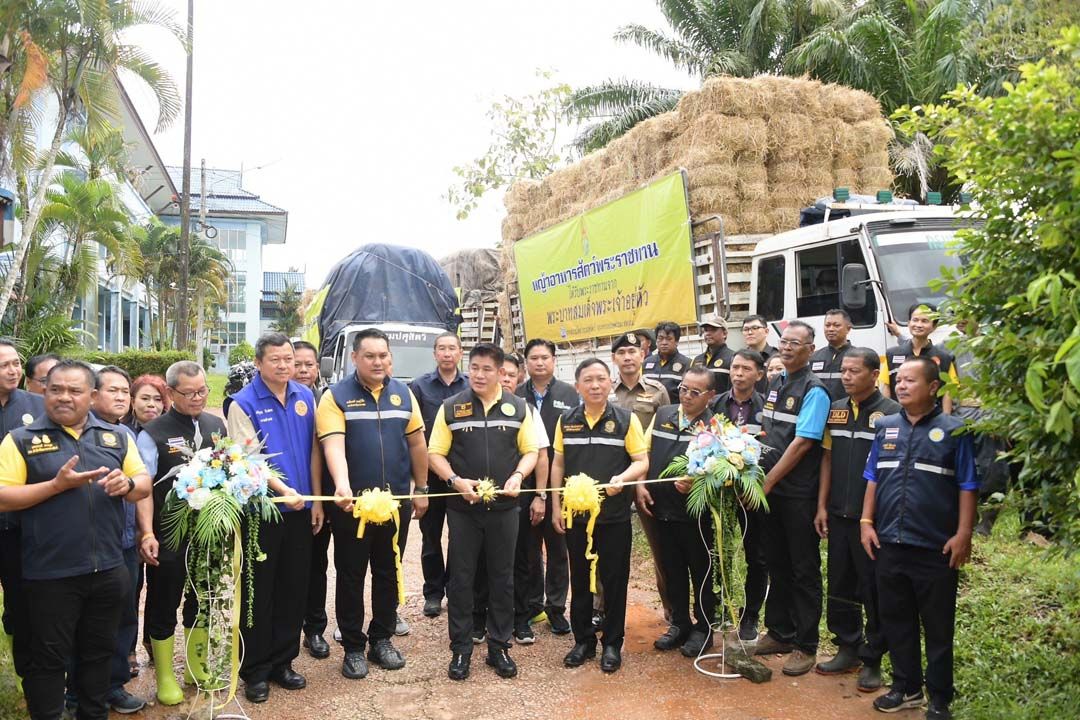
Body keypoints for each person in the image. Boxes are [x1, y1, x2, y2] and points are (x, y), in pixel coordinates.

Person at [0, 360, 151, 720]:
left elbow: (143, 483)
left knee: (98, 654)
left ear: (92, 396)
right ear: (43, 392)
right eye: (56, 390)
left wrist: (127, 485)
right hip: (50, 574)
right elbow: (3, 496)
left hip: (108, 570)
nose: (64, 397)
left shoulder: (115, 437)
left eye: (74, 390)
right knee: (48, 659)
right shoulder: (21, 440)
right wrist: (55, 486)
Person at [861, 357, 978, 720]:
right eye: (899, 380)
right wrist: (866, 521)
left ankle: (939, 697)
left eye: (912, 380)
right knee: (897, 620)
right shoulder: (886, 427)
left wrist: (963, 534)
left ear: (933, 388)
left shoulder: (955, 430)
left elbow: (968, 485)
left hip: (935, 547)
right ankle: (906, 687)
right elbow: (872, 477)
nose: (902, 385)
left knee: (938, 626)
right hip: (889, 544)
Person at [316, 328, 429, 680]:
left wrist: (421, 487)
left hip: (395, 505)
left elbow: (416, 445)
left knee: (388, 571)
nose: (378, 361)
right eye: (370, 356)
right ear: (355, 358)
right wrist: (343, 486)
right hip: (352, 507)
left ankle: (381, 639)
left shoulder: (404, 395)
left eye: (383, 355)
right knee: (351, 575)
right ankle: (352, 646)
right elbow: (333, 445)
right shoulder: (335, 397)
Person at [428, 343, 538, 681]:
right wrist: (455, 480)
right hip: (463, 509)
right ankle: (461, 649)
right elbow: (435, 453)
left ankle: (499, 646)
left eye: (487, 369)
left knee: (502, 577)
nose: (479, 374)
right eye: (474, 367)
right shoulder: (451, 407)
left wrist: (519, 475)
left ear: (500, 371)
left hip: (505, 509)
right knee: (461, 578)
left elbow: (530, 450)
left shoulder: (518, 407)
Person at [228, 334, 322, 703]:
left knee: (293, 588)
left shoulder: (305, 396)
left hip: (301, 511)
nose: (285, 366)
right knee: (258, 593)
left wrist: (314, 499)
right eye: (276, 360)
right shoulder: (242, 403)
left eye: (289, 359)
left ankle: (284, 661)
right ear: (259, 362)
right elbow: (248, 459)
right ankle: (255, 670)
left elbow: (314, 448)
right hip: (263, 513)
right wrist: (283, 492)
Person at [136, 361, 226, 706]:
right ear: (170, 393)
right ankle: (165, 677)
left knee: (204, 598)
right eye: (189, 393)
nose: (198, 398)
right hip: (169, 534)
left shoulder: (215, 424)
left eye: (203, 390)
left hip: (210, 533)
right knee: (163, 600)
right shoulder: (153, 433)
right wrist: (147, 532)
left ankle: (195, 667)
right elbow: (143, 489)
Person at [550, 358, 648, 673]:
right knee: (580, 580)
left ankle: (612, 645)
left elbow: (641, 461)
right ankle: (583, 641)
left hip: (614, 517)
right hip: (577, 518)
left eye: (601, 379)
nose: (595, 385)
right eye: (588, 380)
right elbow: (558, 465)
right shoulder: (566, 420)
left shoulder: (626, 419)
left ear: (610, 383)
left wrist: (624, 478)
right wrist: (555, 505)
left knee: (615, 580)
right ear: (577, 386)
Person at [813, 348, 899, 692]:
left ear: (873, 375)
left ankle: (873, 657)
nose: (846, 376)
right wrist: (821, 506)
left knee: (873, 589)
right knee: (840, 584)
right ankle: (846, 646)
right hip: (838, 514)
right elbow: (828, 460)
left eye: (853, 371)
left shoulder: (891, 415)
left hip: (872, 522)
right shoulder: (835, 410)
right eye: (844, 371)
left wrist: (875, 517)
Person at [754, 320, 830, 677]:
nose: (786, 348)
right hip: (771, 491)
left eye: (795, 344)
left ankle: (806, 644)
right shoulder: (776, 383)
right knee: (777, 563)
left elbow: (802, 443)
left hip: (796, 493)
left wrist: (767, 482)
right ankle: (779, 632)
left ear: (810, 350)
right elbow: (770, 432)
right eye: (783, 342)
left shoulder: (815, 390)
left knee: (803, 569)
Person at [644, 367, 717, 657]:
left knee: (701, 572)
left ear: (710, 396)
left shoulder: (715, 426)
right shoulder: (664, 415)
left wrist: (700, 482)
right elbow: (647, 451)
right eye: (683, 389)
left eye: (694, 392)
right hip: (661, 510)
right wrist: (642, 486)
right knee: (671, 570)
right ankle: (679, 623)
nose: (686, 396)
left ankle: (704, 627)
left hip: (696, 516)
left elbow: (724, 473)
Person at [89, 366, 146, 714]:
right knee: (86, 621)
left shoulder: (125, 434)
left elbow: (141, 485)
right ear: (92, 395)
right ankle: (77, 689)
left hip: (123, 543)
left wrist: (145, 532)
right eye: (113, 390)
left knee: (124, 614)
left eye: (125, 390)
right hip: (87, 546)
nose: (121, 397)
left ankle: (114, 684)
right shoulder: (75, 433)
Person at [610, 332, 672, 635]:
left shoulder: (658, 392)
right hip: (614, 477)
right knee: (605, 543)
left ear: (643, 355)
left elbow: (667, 433)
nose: (627, 357)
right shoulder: (606, 392)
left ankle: (671, 606)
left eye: (632, 351)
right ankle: (601, 607)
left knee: (660, 545)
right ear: (614, 359)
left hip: (648, 477)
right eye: (621, 352)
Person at [516, 338, 576, 636]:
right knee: (527, 550)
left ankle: (556, 609)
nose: (539, 363)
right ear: (526, 363)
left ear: (554, 361)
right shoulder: (515, 396)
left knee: (558, 549)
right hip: (524, 484)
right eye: (534, 358)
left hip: (560, 485)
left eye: (545, 358)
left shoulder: (570, 394)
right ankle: (531, 606)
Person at [409, 332, 468, 620]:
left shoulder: (471, 386)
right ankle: (433, 593)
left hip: (461, 476)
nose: (447, 353)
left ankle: (456, 589)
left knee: (460, 538)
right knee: (430, 537)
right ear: (435, 354)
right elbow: (413, 434)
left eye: (452, 348)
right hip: (431, 476)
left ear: (460, 353)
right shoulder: (419, 387)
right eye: (441, 349)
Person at [711, 349, 768, 642]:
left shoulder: (768, 406)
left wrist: (754, 486)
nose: (738, 373)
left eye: (746, 369)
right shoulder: (716, 404)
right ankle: (718, 609)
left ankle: (750, 615)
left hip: (753, 496)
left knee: (757, 557)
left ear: (759, 374)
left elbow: (772, 449)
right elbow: (705, 444)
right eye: (735, 367)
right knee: (719, 552)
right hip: (721, 494)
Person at [0, 339, 43, 688]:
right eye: (4, 366)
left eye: (16, 363)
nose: (13, 370)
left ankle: (29, 680)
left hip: (24, 527)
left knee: (25, 603)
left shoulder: (37, 406)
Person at [500, 354, 551, 645]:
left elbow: (542, 455)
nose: (505, 379)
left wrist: (540, 496)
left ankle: (521, 618)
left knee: (523, 558)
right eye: (501, 373)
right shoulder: (471, 409)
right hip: (482, 499)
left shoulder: (526, 410)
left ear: (519, 379)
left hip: (521, 495)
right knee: (487, 561)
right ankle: (487, 618)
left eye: (510, 375)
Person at [289, 340, 335, 659]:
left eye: (310, 364)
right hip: (287, 500)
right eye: (298, 364)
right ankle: (286, 632)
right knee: (289, 569)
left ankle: (315, 629)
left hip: (321, 498)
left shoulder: (327, 400)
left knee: (318, 564)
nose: (304, 370)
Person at [881, 303, 958, 413]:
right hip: (899, 417)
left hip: (932, 419)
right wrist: (888, 416)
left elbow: (948, 392)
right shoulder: (892, 354)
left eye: (924, 321)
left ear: (934, 326)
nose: (919, 324)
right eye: (915, 320)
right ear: (908, 323)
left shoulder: (944, 358)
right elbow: (886, 386)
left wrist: (945, 421)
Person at [810, 309, 854, 400]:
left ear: (848, 329)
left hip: (846, 411)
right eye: (827, 325)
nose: (831, 329)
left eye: (836, 325)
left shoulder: (857, 357)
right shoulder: (814, 357)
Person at [643, 322, 692, 399]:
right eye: (660, 338)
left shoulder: (688, 364)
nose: (664, 343)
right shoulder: (646, 362)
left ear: (677, 341)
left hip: (674, 409)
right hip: (650, 409)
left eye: (669, 339)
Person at [691, 315, 734, 395]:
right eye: (706, 330)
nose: (708, 333)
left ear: (724, 333)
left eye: (713, 330)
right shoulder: (697, 360)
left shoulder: (733, 358)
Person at [741, 315, 777, 394]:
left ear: (766, 331)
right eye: (746, 329)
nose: (750, 332)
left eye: (755, 328)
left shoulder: (777, 357)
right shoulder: (739, 358)